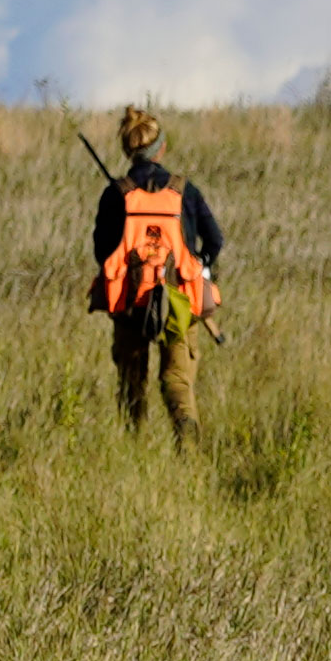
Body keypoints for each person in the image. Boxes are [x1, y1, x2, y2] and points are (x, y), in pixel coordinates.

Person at [88, 106, 225, 445]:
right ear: (161, 147)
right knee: (177, 379)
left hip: (130, 302)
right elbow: (215, 239)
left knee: (132, 380)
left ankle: (134, 445)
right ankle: (187, 439)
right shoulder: (184, 190)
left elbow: (102, 252)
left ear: (127, 150)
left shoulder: (115, 194)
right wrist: (199, 265)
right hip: (178, 301)